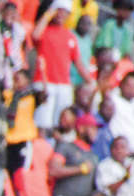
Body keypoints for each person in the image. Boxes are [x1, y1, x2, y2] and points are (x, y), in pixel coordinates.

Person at [32, 1, 92, 131]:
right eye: (58, 11)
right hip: (44, 82)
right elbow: (35, 35)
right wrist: (48, 14)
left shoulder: (70, 36)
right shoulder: (44, 30)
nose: (61, 14)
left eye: (64, 12)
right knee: (42, 124)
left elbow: (78, 63)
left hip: (64, 85)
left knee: (62, 124)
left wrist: (91, 81)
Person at [46, 106, 97, 196]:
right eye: (92, 128)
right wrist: (79, 169)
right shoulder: (66, 146)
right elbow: (53, 170)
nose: (95, 132)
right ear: (81, 128)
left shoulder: (93, 155)